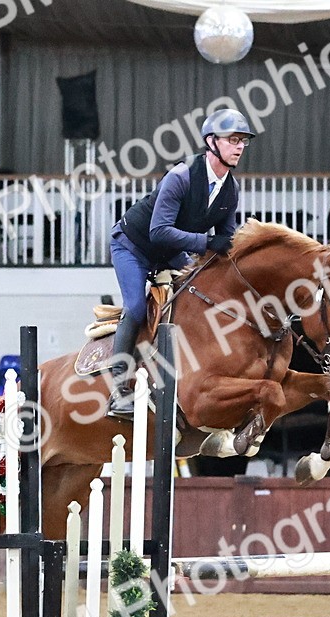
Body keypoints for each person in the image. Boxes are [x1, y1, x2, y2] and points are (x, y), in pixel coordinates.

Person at [106, 108, 255, 419]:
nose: (240, 146)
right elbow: (158, 231)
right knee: (134, 307)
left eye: (243, 141)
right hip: (133, 246)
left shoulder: (230, 189)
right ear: (211, 142)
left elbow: (225, 242)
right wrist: (205, 243)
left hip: (170, 252)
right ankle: (118, 390)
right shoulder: (181, 176)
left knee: (198, 296)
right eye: (233, 140)